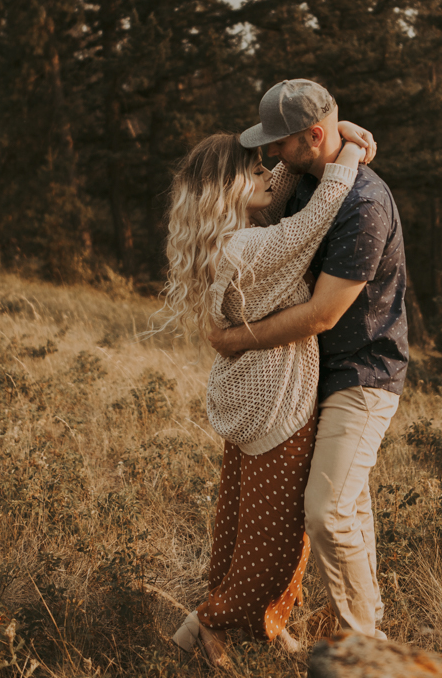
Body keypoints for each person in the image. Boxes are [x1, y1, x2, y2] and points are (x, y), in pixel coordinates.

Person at [160, 113, 374, 665]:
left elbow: (276, 186)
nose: (267, 171)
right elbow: (316, 217)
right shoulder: (249, 250)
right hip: (277, 400)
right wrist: (347, 150)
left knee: (239, 521)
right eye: (254, 168)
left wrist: (325, 129)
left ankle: (232, 626)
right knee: (279, 541)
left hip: (249, 396)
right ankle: (214, 622)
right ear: (231, 189)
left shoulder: (228, 238)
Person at [209, 78, 409, 642]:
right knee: (351, 505)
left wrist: (238, 339)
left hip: (361, 374)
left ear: (311, 136)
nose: (268, 153)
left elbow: (323, 313)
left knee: (326, 510)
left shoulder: (364, 206)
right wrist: (347, 139)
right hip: (313, 370)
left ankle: (360, 646)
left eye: (278, 142)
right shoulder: (301, 180)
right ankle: (365, 628)